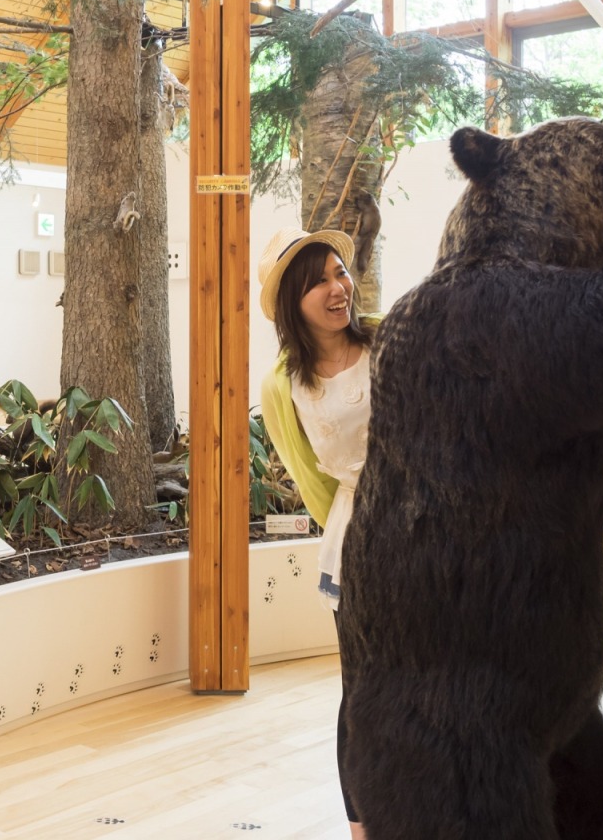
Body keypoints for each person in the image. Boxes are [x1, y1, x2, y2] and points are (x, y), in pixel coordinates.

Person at [257, 226, 377, 838]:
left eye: (340, 273)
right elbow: (312, 482)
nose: (339, 289)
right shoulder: (284, 386)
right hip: (360, 541)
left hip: (436, 527)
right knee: (362, 693)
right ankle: (362, 829)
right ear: (291, 304)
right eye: (320, 282)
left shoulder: (389, 339)